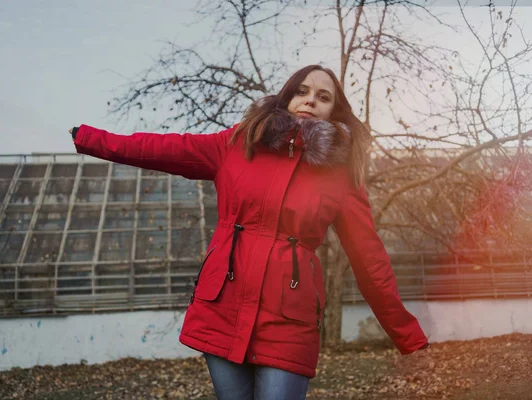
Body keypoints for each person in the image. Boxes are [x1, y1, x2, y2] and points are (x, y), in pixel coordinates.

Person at [69, 64, 429, 400]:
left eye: (323, 97)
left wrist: (407, 336)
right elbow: (161, 148)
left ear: (333, 112)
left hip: (289, 318)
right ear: (286, 98)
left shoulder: (341, 176)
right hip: (222, 304)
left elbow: (370, 260)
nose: (310, 101)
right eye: (302, 91)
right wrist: (90, 139)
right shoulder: (237, 144)